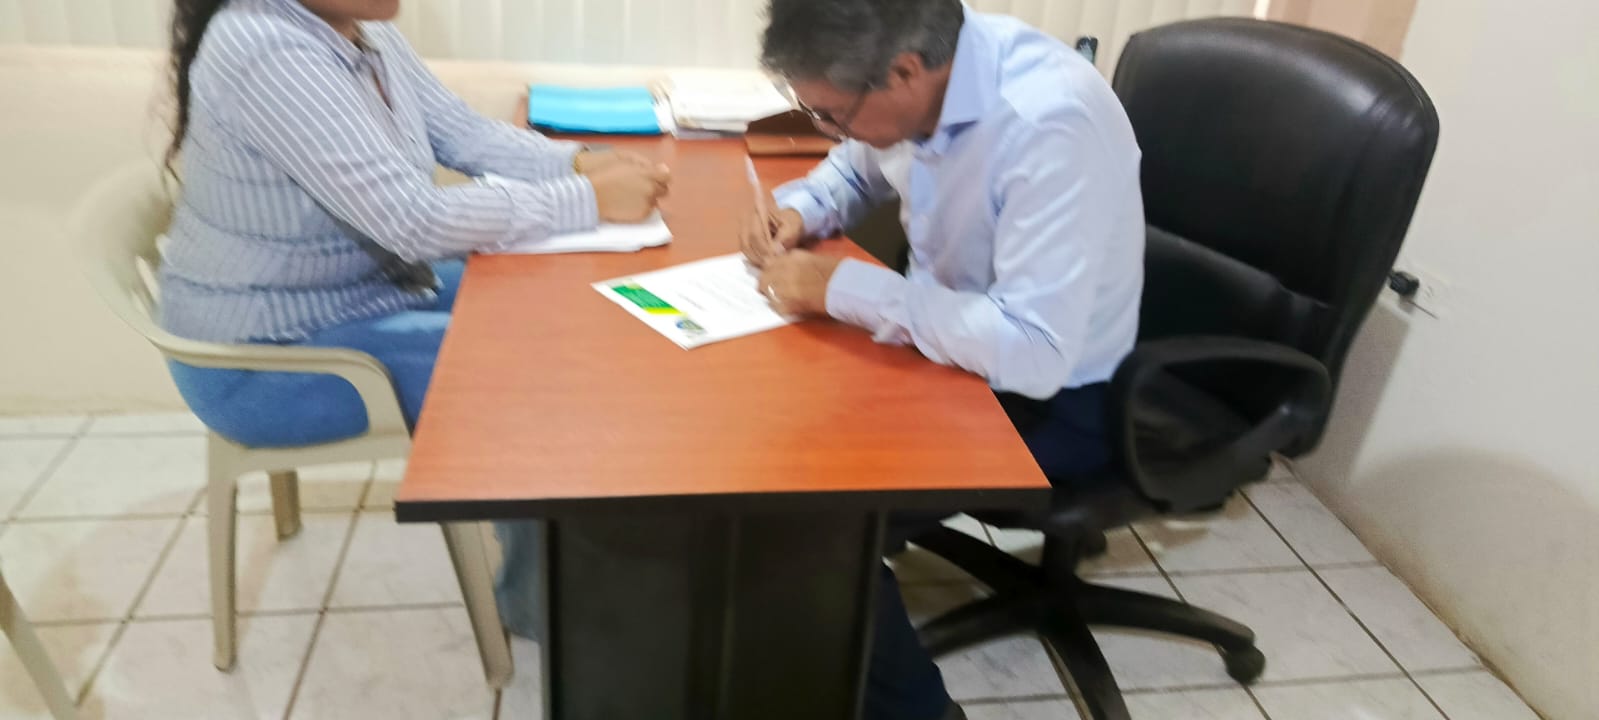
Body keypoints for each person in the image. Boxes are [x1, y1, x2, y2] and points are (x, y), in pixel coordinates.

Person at [158, 0, 668, 639]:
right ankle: (539, 606)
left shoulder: (358, 29)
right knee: (527, 381)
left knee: (550, 305)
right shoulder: (267, 48)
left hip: (361, 292)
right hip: (265, 357)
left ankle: (566, 550)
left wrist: (576, 162)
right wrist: (586, 198)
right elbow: (414, 221)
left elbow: (462, 132)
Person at [744, 1, 1146, 718]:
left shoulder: (1046, 122)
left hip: (1058, 398)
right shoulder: (922, 73)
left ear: (903, 72)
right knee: (767, 444)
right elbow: (855, 169)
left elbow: (1033, 351)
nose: (827, 127)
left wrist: (843, 288)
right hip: (952, 352)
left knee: (809, 522)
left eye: (830, 113)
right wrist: (801, 208)